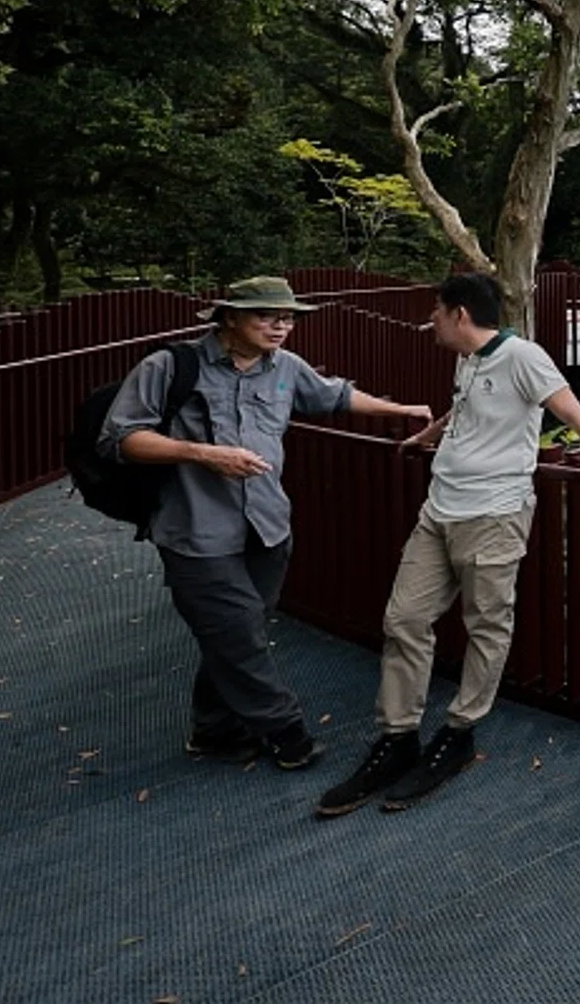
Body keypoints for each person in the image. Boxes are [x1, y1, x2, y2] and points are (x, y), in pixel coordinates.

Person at [316, 272, 580, 816]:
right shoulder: (468, 358)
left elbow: (572, 410)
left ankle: (459, 732)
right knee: (404, 618)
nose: (429, 320)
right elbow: (468, 408)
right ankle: (399, 735)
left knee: (486, 623)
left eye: (435, 311)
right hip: (439, 510)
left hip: (495, 515)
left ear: (459, 314)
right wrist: (425, 436)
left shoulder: (523, 356)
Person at [99, 276, 433, 769]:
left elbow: (334, 396)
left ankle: (213, 731)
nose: (281, 325)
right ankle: (288, 734)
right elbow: (119, 439)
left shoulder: (285, 369)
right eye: (267, 315)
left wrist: (401, 409)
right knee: (241, 635)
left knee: (234, 632)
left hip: (267, 527)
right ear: (229, 317)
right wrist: (202, 454)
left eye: (289, 317)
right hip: (196, 530)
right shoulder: (170, 366)